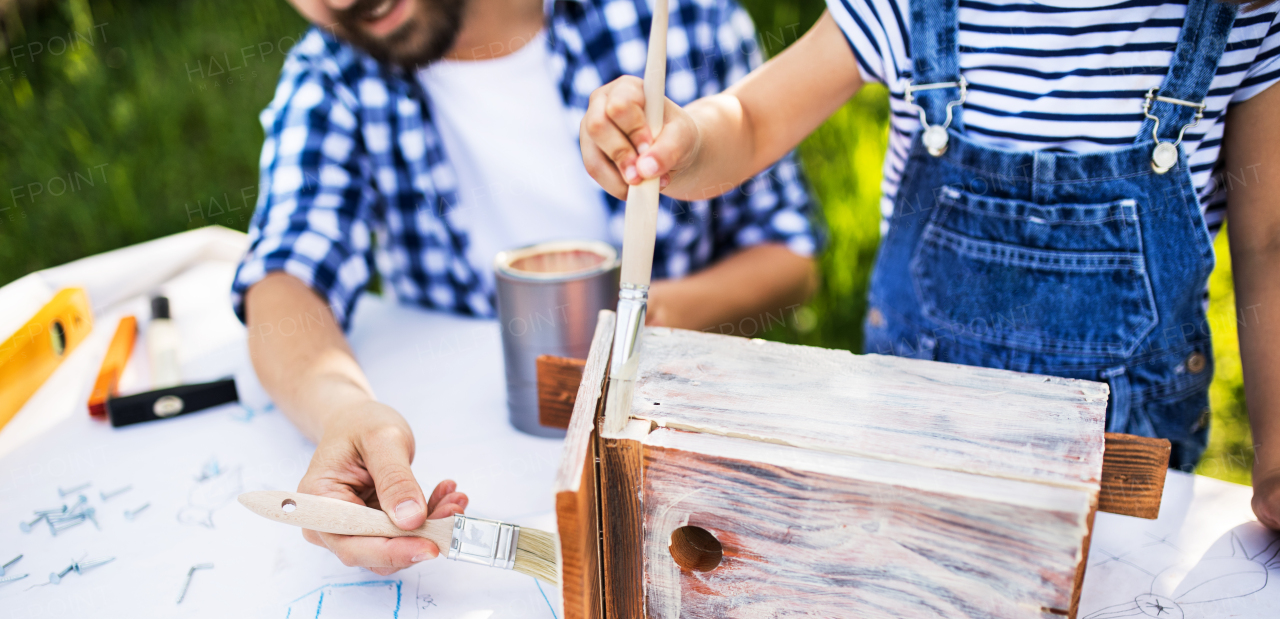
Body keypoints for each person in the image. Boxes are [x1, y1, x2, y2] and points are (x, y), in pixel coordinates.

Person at [581, 0, 1280, 528]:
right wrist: (689, 138)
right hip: (912, 462)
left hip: (1123, 485)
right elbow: (753, 120)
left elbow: (1268, 242)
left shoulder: (1239, 19)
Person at [234, 0, 821, 572]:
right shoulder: (333, 75)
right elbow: (285, 277)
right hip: (480, 456)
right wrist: (344, 411)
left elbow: (791, 258)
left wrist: (646, 324)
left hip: (669, 448)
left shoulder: (675, 17)